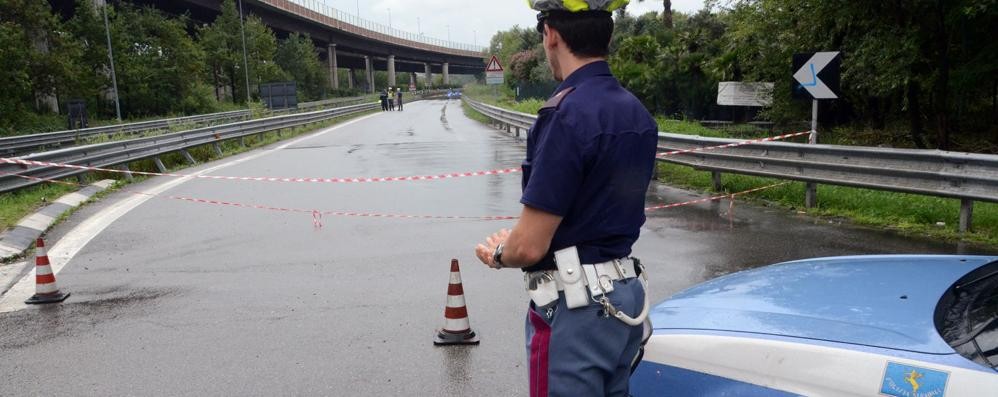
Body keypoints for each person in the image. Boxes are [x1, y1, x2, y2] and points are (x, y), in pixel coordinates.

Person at [473, 1, 657, 396]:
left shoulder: (566, 114)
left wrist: (500, 253)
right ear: (607, 35)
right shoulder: (637, 112)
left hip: (576, 309)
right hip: (625, 299)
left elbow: (529, 245)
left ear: (551, 35)